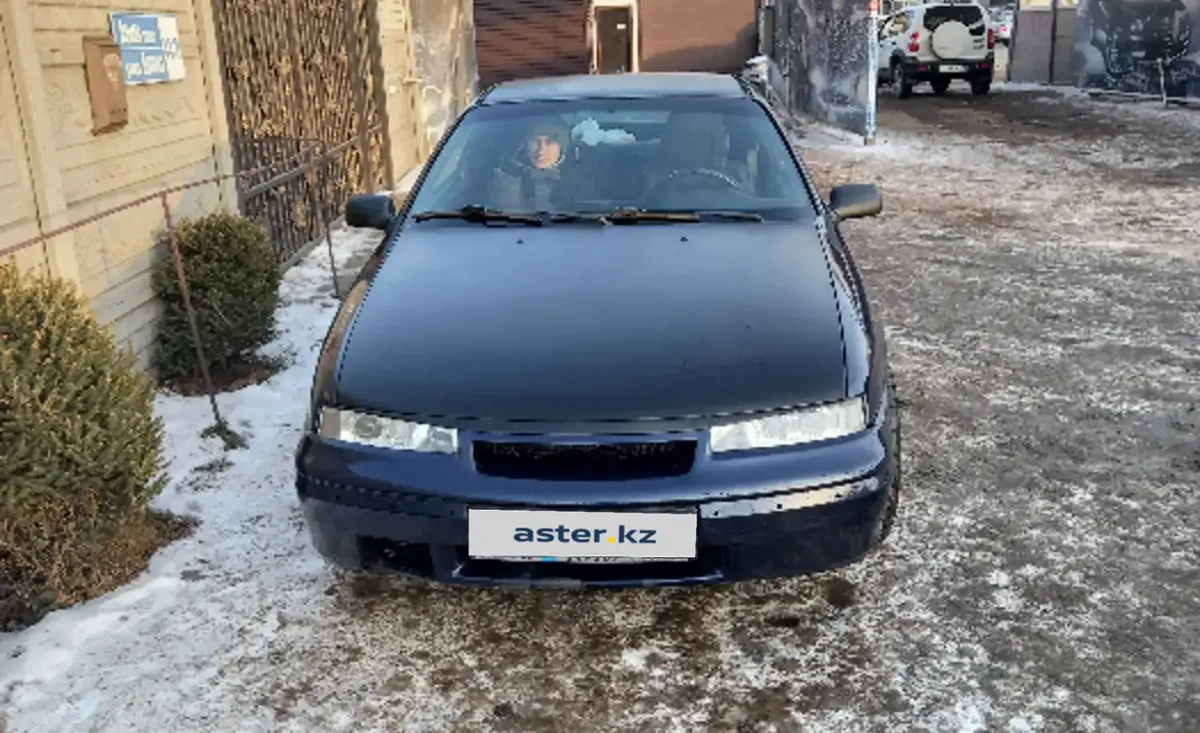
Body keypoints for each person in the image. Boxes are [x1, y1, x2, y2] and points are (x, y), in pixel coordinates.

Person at [488, 118, 586, 211]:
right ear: (525, 144)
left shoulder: (580, 175)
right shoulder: (508, 176)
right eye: (534, 141)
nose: (541, 151)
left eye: (549, 142)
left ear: (562, 145)